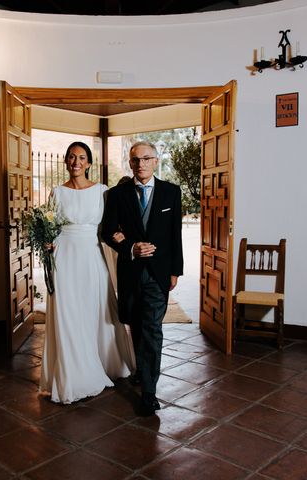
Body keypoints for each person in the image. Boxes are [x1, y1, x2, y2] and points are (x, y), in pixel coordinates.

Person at [39, 141, 135, 404]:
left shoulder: (103, 192)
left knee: (96, 309)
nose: (76, 162)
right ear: (66, 161)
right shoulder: (57, 192)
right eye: (71, 157)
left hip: (92, 256)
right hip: (65, 257)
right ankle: (74, 374)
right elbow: (51, 226)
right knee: (67, 312)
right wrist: (47, 240)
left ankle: (105, 362)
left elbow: (111, 225)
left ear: (89, 163)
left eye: (82, 157)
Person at [101, 141, 183, 416]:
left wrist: (175, 271)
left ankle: (149, 391)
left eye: (146, 159)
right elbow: (109, 231)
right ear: (130, 163)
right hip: (130, 271)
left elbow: (175, 236)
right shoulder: (117, 194)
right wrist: (130, 248)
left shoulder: (172, 193)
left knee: (151, 329)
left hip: (159, 274)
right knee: (134, 323)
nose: (141, 164)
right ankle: (141, 369)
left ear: (156, 161)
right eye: (135, 160)